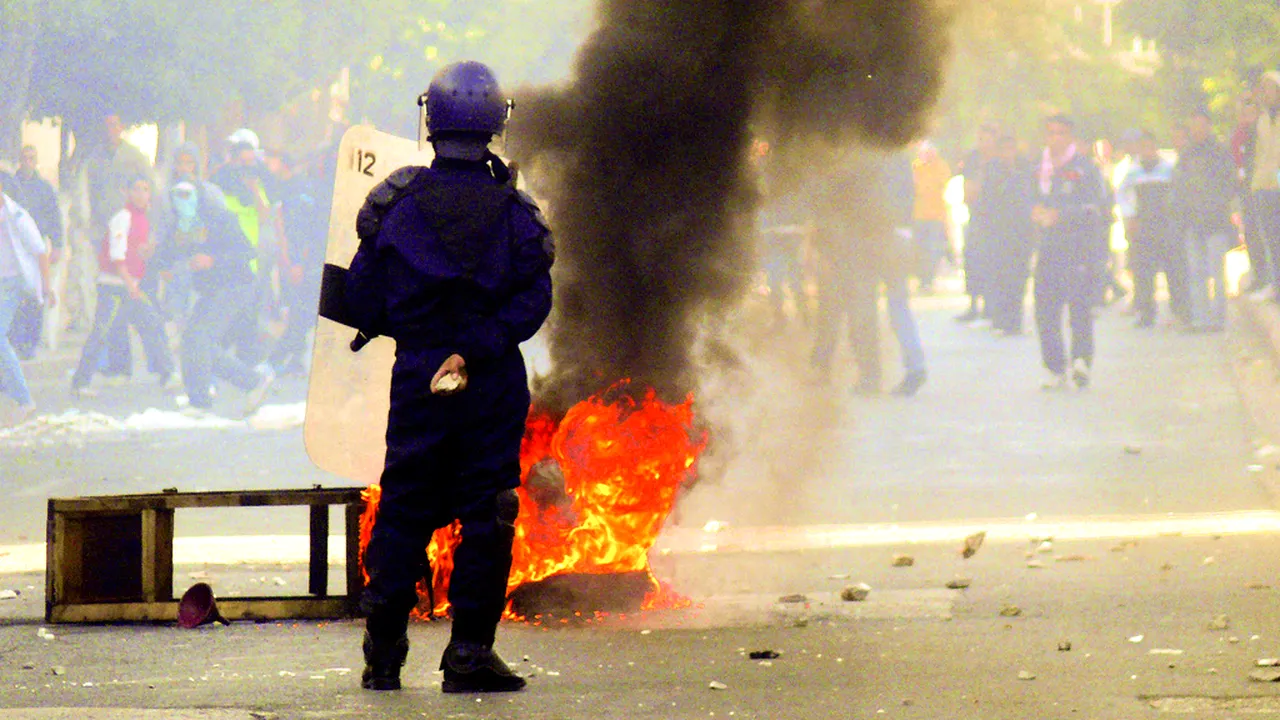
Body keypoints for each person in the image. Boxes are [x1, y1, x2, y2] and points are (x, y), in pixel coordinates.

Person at [343, 61, 552, 694]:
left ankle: (383, 656)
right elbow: (533, 301)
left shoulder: (394, 204)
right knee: (488, 512)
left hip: (418, 376)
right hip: (489, 380)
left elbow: (362, 296)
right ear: (495, 123)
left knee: (404, 506)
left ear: (430, 119)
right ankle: (468, 655)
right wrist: (473, 348)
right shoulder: (517, 212)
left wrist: (421, 333)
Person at [153, 181, 274, 415]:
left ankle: (201, 401)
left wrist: (213, 260)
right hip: (210, 289)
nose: (182, 201)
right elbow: (167, 252)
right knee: (194, 341)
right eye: (177, 196)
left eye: (187, 195)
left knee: (199, 338)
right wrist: (157, 261)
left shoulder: (219, 218)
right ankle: (250, 382)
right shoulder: (180, 225)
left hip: (235, 284)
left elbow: (246, 252)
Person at [70, 176, 174, 396]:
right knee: (102, 331)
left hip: (130, 285)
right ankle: (80, 382)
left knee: (152, 324)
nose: (141, 194)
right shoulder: (122, 218)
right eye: (137, 189)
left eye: (145, 189)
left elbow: (137, 253)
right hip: (115, 287)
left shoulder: (144, 220)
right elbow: (117, 257)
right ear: (126, 192)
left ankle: (166, 373)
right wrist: (130, 285)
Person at [1031, 115, 1109, 390]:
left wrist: (1062, 215)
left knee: (1079, 308)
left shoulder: (1085, 169)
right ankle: (1055, 367)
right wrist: (1034, 212)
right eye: (1051, 133)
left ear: (1071, 137)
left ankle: (1081, 361)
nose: (1056, 138)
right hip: (1047, 249)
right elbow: (1024, 200)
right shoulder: (1037, 168)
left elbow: (1097, 208)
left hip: (1078, 248)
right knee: (1045, 310)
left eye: (1061, 133)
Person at [1170, 110, 1239, 332]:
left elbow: (1230, 183)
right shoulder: (1186, 154)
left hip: (1216, 221)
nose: (1197, 130)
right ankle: (1200, 318)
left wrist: (1219, 206)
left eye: (1200, 125)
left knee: (1217, 272)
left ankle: (1218, 318)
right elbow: (1178, 185)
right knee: (1195, 273)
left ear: (1209, 126)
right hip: (1191, 221)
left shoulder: (1220, 152)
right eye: (1193, 126)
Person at [265, 151, 329, 376]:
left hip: (304, 262)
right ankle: (295, 359)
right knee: (297, 309)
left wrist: (298, 262)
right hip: (296, 260)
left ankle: (277, 359)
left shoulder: (303, 189)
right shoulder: (292, 187)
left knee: (301, 312)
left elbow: (303, 230)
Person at [0, 173, 54, 424]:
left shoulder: (18, 216)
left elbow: (40, 251)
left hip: (12, 283)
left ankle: (24, 399)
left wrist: (46, 286)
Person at [8, 146, 63, 358]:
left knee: (36, 295)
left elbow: (54, 217)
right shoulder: (11, 186)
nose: (28, 162)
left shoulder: (45, 188)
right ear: (19, 160)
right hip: (13, 248)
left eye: (32, 158)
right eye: (25, 158)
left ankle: (30, 343)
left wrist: (57, 244)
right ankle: (14, 341)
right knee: (15, 294)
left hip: (37, 248)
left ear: (36, 161)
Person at [1116, 130, 1174, 328]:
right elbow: (1122, 194)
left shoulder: (1168, 168)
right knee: (1143, 272)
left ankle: (1178, 312)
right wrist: (1129, 216)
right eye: (1143, 148)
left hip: (1165, 224)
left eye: (1150, 147)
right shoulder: (1133, 171)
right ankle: (1146, 313)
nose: (1147, 151)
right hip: (1142, 224)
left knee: (1172, 270)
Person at [984, 134, 1036, 336]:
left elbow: (1031, 197)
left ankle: (1015, 321)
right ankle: (1001, 320)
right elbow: (989, 201)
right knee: (1001, 277)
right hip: (1000, 233)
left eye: (1011, 148)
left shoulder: (1025, 169)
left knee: (1019, 277)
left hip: (1022, 232)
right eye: (1004, 149)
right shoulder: (992, 170)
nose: (1008, 153)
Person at [957, 122, 1000, 323]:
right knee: (972, 259)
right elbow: (968, 188)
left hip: (996, 219)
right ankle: (973, 303)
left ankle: (991, 304)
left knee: (993, 261)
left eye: (987, 139)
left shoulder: (999, 159)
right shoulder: (972, 158)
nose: (983, 143)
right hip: (976, 215)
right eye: (980, 139)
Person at [1251, 71, 1280, 300]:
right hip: (1264, 187)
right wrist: (1257, 183)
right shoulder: (1262, 120)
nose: (1266, 93)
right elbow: (1260, 155)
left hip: (1277, 185)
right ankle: (1275, 284)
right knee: (1270, 238)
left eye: (1270, 88)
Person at [911, 141, 952, 293]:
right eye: (925, 152)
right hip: (918, 214)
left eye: (931, 152)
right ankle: (922, 279)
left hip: (936, 216)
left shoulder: (941, 167)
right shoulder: (915, 167)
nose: (928, 155)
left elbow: (942, 183)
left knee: (933, 249)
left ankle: (928, 279)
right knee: (919, 249)